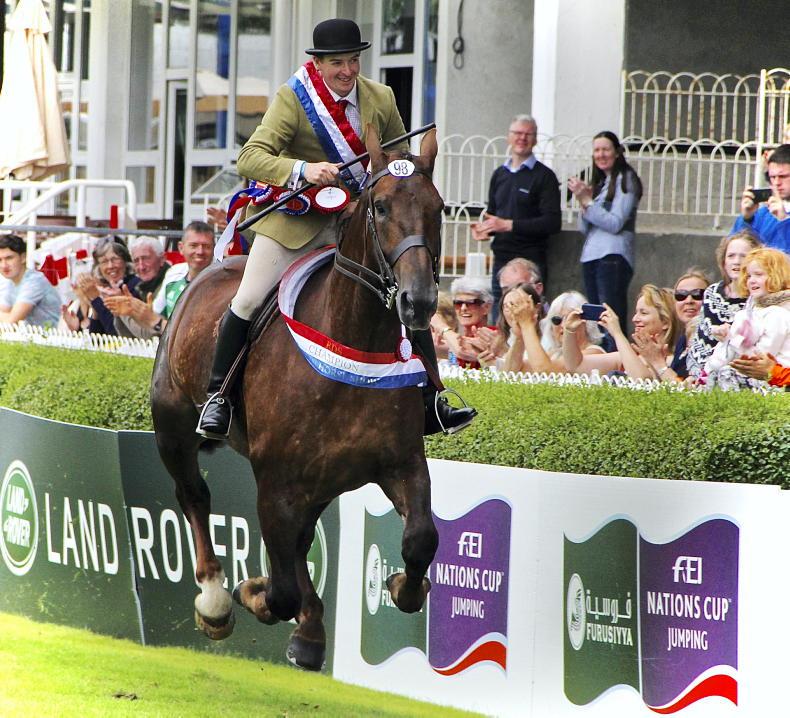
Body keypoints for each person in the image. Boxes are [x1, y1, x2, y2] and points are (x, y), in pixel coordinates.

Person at [197, 18, 475, 439]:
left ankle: (433, 398)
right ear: (319, 64)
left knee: (409, 286)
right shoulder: (293, 99)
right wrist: (303, 170)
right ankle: (218, 397)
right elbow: (250, 157)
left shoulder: (380, 97)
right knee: (249, 297)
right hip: (297, 222)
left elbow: (398, 163)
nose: (347, 71)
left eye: (353, 61)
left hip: (359, 222)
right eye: (337, 63)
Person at [471, 114, 561, 312]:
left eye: (528, 134)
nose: (522, 138)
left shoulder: (545, 177)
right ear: (509, 137)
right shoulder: (499, 174)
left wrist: (509, 225)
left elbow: (553, 222)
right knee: (501, 316)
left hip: (530, 261)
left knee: (530, 314)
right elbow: (493, 215)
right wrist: (484, 229)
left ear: (535, 139)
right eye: (518, 133)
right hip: (501, 261)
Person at [568, 131, 643, 340]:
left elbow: (615, 223)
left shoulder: (626, 179)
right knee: (595, 320)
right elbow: (584, 227)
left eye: (606, 149)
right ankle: (601, 355)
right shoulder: (601, 182)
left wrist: (588, 202)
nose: (600, 155)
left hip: (613, 256)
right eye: (596, 150)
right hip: (591, 255)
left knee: (609, 318)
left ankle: (616, 356)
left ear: (617, 152)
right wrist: (584, 200)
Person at [105, 222, 215, 338]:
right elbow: (150, 330)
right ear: (181, 248)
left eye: (206, 246)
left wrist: (153, 321)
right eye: (193, 246)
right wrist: (132, 312)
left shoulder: (222, 282)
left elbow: (195, 336)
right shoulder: (174, 273)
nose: (200, 251)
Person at [704, 247, 790, 390]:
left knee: (727, 375)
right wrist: (707, 371)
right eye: (749, 276)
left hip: (778, 385)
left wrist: (732, 339)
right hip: (760, 379)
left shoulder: (780, 314)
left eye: (758, 274)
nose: (751, 281)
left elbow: (759, 358)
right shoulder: (751, 311)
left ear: (777, 276)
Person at [562, 285, 680, 380]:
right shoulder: (629, 355)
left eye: (643, 313)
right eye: (636, 312)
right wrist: (569, 331)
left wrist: (617, 333)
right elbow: (576, 366)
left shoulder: (674, 360)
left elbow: (641, 380)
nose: (635, 319)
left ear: (665, 322)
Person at [686, 231, 762, 379]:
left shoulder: (759, 298)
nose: (736, 261)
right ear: (724, 262)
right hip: (704, 371)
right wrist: (700, 375)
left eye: (743, 256)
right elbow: (702, 338)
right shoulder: (712, 293)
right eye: (731, 256)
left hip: (742, 373)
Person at [636, 269, 711, 382]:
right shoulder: (682, 340)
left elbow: (687, 389)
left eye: (697, 295)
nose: (689, 300)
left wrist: (658, 362)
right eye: (681, 295)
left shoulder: (711, 338)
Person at [65, 238, 140, 335]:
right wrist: (77, 330)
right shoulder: (106, 288)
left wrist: (96, 299)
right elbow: (97, 338)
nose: (110, 266)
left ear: (125, 261)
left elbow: (115, 332)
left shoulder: (134, 285)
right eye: (104, 261)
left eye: (115, 259)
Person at [733, 144, 790, 253]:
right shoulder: (762, 214)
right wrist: (746, 219)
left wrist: (784, 221)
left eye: (783, 176)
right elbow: (735, 252)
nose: (776, 182)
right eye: (772, 177)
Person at [0, 234, 61, 327]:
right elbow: (4, 312)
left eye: (9, 258)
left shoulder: (34, 281)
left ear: (23, 258)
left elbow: (11, 322)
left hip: (53, 334)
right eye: (0, 260)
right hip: (32, 334)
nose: (4, 265)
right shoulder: (9, 281)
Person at [442, 276, 497, 370]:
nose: (463, 308)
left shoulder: (494, 335)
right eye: (458, 303)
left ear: (486, 307)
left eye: (471, 303)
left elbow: (462, 351)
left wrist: (442, 328)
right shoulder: (457, 337)